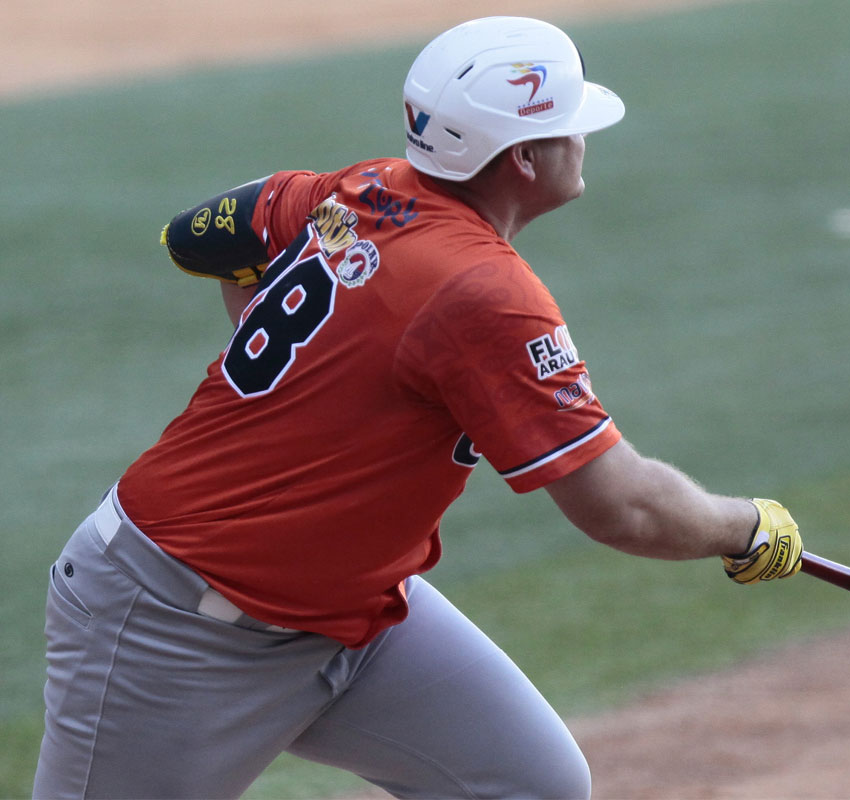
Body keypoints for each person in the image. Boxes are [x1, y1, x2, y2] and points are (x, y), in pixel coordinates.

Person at [34, 16, 802, 800]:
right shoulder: (485, 294)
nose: (584, 140)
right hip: (174, 622)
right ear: (526, 159)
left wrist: (317, 376)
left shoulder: (360, 189)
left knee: (529, 784)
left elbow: (204, 234)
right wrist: (742, 527)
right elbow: (623, 509)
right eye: (572, 126)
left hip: (354, 618)